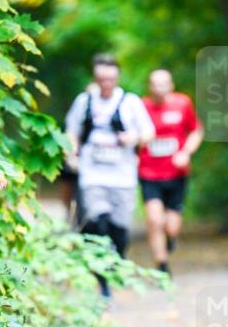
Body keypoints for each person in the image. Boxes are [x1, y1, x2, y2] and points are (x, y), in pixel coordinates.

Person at [65, 54, 156, 299]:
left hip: (123, 176)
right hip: (92, 175)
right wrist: (72, 148)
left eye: (111, 79)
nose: (106, 83)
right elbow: (71, 132)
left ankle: (117, 261)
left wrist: (133, 138)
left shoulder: (130, 102)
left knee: (119, 229)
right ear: (95, 77)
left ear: (117, 78)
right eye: (102, 78)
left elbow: (149, 132)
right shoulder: (84, 101)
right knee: (97, 224)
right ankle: (103, 282)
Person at [139, 69, 204, 276]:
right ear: (149, 87)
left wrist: (185, 152)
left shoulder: (182, 103)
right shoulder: (141, 107)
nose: (159, 88)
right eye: (155, 84)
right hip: (148, 172)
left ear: (171, 85)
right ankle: (162, 265)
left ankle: (170, 238)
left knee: (172, 226)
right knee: (154, 220)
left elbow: (196, 130)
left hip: (176, 173)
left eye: (164, 83)